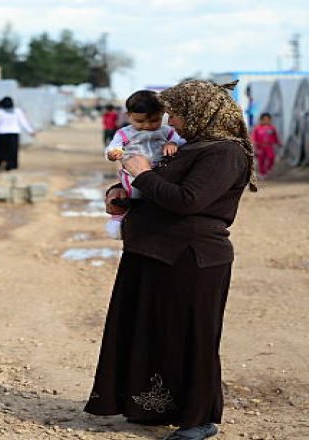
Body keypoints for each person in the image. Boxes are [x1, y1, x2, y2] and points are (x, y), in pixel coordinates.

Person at [85, 79, 256, 440]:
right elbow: (156, 190)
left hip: (191, 258)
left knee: (190, 337)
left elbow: (188, 201)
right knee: (150, 333)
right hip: (152, 253)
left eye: (176, 113)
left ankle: (197, 419)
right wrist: (120, 192)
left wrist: (144, 174)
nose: (171, 121)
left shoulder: (225, 152)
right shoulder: (187, 146)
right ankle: (151, 406)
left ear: (200, 113)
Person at [103, 90, 185, 239]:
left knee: (158, 195)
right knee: (132, 196)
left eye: (154, 121)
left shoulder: (167, 132)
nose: (147, 126)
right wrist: (113, 153)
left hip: (160, 171)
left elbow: (180, 140)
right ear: (129, 116)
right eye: (140, 122)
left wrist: (172, 143)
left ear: (162, 115)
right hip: (132, 172)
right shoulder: (125, 133)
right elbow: (115, 146)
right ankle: (119, 219)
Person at [0, 96, 35, 171]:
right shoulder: (17, 111)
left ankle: (0, 163)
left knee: (2, 150)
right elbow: (23, 122)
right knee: (12, 150)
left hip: (2, 133)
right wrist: (30, 131)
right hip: (14, 133)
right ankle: (11, 165)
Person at [250, 112, 279, 179]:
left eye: (268, 119)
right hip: (261, 147)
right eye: (264, 119)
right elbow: (253, 137)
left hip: (269, 147)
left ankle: (269, 168)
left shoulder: (272, 128)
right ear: (261, 120)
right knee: (261, 160)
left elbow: (275, 137)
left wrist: (278, 143)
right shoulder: (257, 128)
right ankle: (262, 173)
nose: (266, 121)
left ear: (270, 120)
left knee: (271, 157)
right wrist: (253, 143)